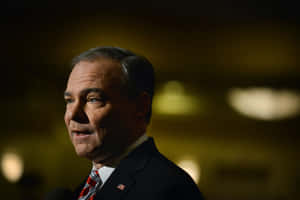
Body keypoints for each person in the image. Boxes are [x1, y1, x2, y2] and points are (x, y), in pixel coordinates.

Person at [63, 47, 204, 200]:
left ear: (140, 106)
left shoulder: (171, 189)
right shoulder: (82, 191)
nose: (72, 114)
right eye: (69, 101)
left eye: (93, 99)